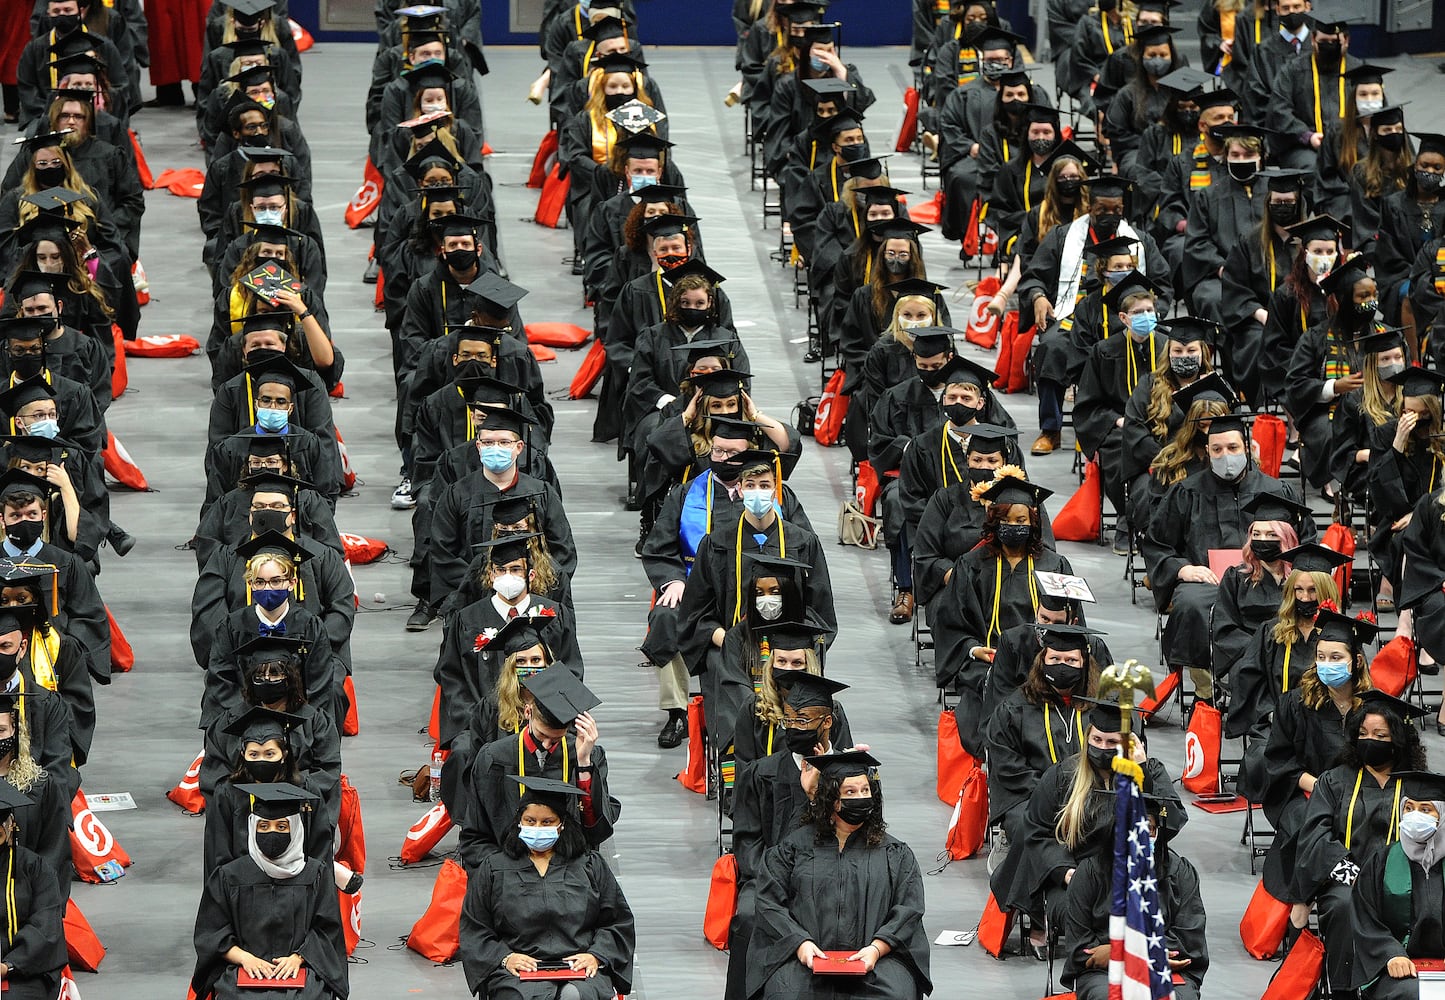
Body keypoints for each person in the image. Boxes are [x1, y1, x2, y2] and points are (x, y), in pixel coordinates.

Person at [988, 696, 1187, 956]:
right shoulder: (1063, 776)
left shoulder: (1152, 772)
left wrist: (1141, 775)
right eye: (1097, 740)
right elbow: (1036, 831)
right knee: (1089, 916)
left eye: (1112, 742)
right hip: (1075, 880)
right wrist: (1065, 872)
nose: (1103, 748)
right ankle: (1101, 966)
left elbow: (1169, 823)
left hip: (1135, 876)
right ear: (1087, 739)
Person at [1144, 410, 1315, 701]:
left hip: (1269, 580)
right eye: (1217, 449)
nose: (1226, 455)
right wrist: (1182, 570)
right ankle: (1206, 688)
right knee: (1190, 605)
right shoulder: (1186, 492)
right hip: (1208, 583)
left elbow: (1306, 539)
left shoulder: (1276, 490)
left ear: (1246, 448)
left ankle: (1283, 681)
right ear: (1207, 452)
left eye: (1233, 448)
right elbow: (1158, 542)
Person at [747, 750, 932, 1000]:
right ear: (831, 799)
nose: (860, 798)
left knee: (895, 995)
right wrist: (800, 944)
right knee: (785, 993)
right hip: (805, 958)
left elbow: (909, 908)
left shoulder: (894, 853)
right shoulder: (793, 849)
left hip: (877, 962)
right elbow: (769, 902)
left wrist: (877, 949)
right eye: (850, 793)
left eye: (865, 791)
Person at [1295, 686, 1428, 991]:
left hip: (1406, 882)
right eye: (1365, 733)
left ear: (1398, 739)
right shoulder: (1335, 781)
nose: (1371, 741)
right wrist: (1356, 875)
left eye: (1381, 736)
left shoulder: (1418, 788)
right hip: (1347, 882)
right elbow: (1315, 836)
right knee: (1344, 906)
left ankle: (1401, 986)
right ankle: (1344, 990)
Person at [459, 776, 635, 1000]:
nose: (537, 828)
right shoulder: (495, 868)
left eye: (547, 822)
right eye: (530, 821)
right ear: (518, 822)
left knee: (575, 996)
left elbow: (617, 921)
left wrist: (597, 956)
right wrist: (504, 958)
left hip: (579, 968)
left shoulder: (589, 865)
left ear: (561, 825)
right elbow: (475, 927)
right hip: (518, 972)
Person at [932, 473, 1071, 752]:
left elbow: (1073, 622)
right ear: (994, 522)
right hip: (989, 658)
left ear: (1033, 522)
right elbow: (950, 622)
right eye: (1005, 520)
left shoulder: (1055, 566)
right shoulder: (972, 565)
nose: (1013, 527)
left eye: (1021, 521)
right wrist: (973, 649)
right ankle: (996, 751)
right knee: (992, 686)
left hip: (1044, 658)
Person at [190, 782, 348, 1000]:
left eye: (282, 827)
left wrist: (299, 957)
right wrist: (245, 959)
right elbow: (211, 934)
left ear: (295, 829)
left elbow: (327, 930)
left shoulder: (315, 874)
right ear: (252, 827)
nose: (271, 832)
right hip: (243, 969)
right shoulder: (230, 875)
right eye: (263, 826)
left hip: (301, 968)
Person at [452, 665, 620, 866]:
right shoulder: (493, 757)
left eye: (556, 739)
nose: (548, 745)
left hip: (567, 872)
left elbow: (595, 832)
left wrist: (584, 763)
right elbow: (475, 835)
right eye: (543, 735)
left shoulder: (587, 755)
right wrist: (500, 870)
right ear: (528, 712)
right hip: (508, 870)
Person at [1060, 789, 1209, 1000]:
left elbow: (1189, 939)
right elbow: (1081, 947)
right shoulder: (1090, 873)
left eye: (1148, 829)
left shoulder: (1180, 873)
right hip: (1105, 973)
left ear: (1157, 833)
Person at [982, 623, 1104, 866]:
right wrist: (1051, 795)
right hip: (1031, 798)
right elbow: (1008, 767)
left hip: (1093, 796)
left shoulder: (1103, 708)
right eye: (1055, 658)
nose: (1061, 666)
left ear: (1085, 664)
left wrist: (1083, 796)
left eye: (1070, 661)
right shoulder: (1014, 709)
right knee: (1027, 825)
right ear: (1042, 660)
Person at [1225, 543, 1344, 739]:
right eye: (1298, 589)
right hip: (1276, 725)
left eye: (1313, 590)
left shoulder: (1340, 634)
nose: (1305, 598)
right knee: (1260, 759)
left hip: (1327, 729)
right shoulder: (1272, 632)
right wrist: (1270, 713)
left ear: (1326, 592)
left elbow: (1355, 685)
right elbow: (1250, 679)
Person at [1351, 770, 1445, 998]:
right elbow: (1366, 919)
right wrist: (1391, 954)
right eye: (1408, 808)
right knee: (1413, 994)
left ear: (1442, 815)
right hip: (1396, 970)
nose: (1414, 816)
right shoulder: (1381, 861)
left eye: (1425, 810)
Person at [0, 783, 67, 999]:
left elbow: (45, 924)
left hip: (22, 971)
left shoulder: (33, 867)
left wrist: (8, 965)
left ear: (11, 826)